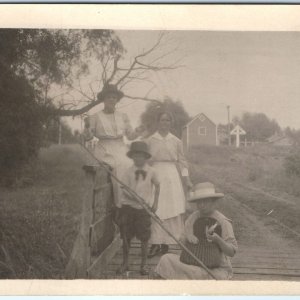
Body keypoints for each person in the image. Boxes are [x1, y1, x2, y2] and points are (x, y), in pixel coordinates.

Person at [155, 182, 238, 280]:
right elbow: (182, 243)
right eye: (199, 202)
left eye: (205, 201)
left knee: (198, 273)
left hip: (216, 268)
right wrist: (187, 238)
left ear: (213, 201)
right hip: (192, 262)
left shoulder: (223, 221)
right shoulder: (192, 218)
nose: (201, 205)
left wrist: (218, 239)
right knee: (166, 259)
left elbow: (231, 252)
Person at [83, 84, 143, 208]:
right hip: (105, 149)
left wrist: (138, 130)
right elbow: (88, 137)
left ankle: (136, 199)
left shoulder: (123, 116)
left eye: (114, 97)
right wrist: (87, 127)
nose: (111, 100)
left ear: (117, 100)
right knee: (121, 164)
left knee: (134, 164)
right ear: (104, 99)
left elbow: (130, 136)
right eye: (109, 97)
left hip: (121, 147)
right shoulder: (95, 117)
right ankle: (121, 203)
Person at [145, 112, 192, 257]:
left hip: (172, 176)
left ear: (170, 123)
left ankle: (166, 243)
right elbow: (145, 161)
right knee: (156, 207)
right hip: (155, 173)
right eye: (162, 120)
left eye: (167, 120)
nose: (165, 123)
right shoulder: (150, 140)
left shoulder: (176, 141)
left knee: (170, 208)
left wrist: (186, 178)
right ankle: (155, 243)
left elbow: (182, 161)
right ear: (157, 122)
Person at [117, 141, 160, 275]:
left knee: (144, 237)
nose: (138, 158)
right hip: (128, 207)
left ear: (146, 157)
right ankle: (125, 263)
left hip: (144, 210)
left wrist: (155, 203)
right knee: (126, 236)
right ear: (132, 156)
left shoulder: (152, 171)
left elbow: (158, 186)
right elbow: (123, 189)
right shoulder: (128, 172)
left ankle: (144, 265)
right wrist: (133, 197)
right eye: (135, 155)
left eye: (141, 155)